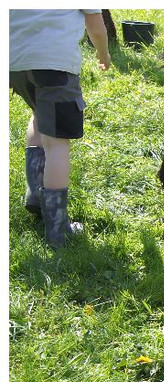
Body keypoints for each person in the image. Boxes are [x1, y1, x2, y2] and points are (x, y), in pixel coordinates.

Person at [10, 9, 111, 248]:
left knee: (39, 116)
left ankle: (36, 198)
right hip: (54, 66)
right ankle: (58, 231)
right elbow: (96, 26)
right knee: (57, 143)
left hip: (15, 64)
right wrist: (103, 54)